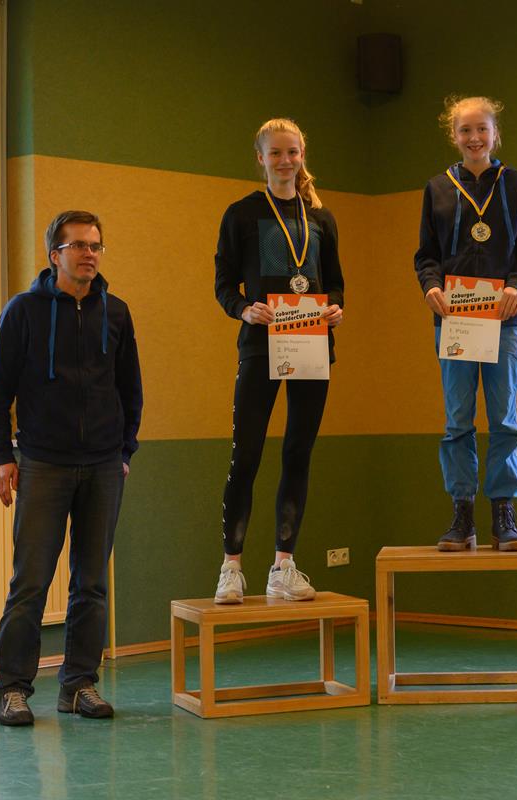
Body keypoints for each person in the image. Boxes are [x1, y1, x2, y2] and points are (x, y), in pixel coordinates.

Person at [0, 210, 143, 726]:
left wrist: (123, 452)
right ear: (55, 255)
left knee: (91, 583)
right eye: (79, 246)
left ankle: (79, 685)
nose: (90, 253)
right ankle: (13, 688)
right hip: (43, 463)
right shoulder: (24, 311)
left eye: (96, 245)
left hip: (101, 466)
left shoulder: (116, 313)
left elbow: (130, 390)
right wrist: (3, 457)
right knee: (30, 582)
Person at [213, 118, 344, 603]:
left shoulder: (321, 218)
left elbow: (336, 281)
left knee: (297, 454)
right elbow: (224, 281)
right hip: (261, 344)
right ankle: (231, 567)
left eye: (293, 153)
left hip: (312, 344)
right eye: (276, 154)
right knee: (246, 454)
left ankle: (283, 566)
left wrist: (335, 308)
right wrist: (243, 308)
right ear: (261, 159)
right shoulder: (241, 214)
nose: (285, 161)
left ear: (302, 155)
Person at [414, 96, 517, 551]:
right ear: (453, 136)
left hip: (504, 319)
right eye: (465, 130)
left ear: (495, 135)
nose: (474, 138)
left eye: (482, 130)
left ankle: (504, 515)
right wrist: (430, 286)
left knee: (505, 419)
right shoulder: (436, 188)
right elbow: (426, 255)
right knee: (456, 421)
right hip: (453, 320)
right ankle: (462, 515)